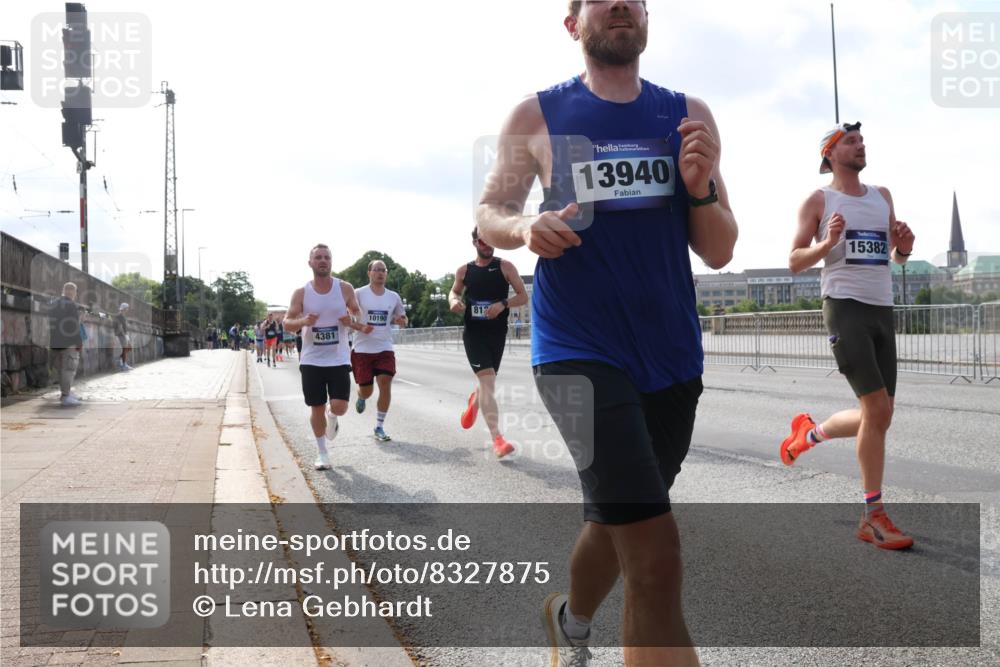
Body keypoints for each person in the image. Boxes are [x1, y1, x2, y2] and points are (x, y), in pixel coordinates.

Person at [476, 2, 739, 664]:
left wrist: (701, 188)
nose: (621, 1)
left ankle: (570, 617)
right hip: (576, 352)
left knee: (618, 516)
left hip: (672, 357)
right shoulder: (537, 114)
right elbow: (491, 211)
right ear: (573, 23)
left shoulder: (688, 115)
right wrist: (522, 229)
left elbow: (719, 249)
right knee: (654, 557)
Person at [782, 121, 916, 550]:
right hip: (844, 308)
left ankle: (810, 434)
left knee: (880, 415)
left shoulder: (882, 197)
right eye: (851, 142)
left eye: (862, 141)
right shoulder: (820, 200)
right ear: (830, 154)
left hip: (881, 309)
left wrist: (904, 247)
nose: (861, 146)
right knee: (876, 409)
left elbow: (894, 256)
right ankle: (872, 515)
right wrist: (828, 243)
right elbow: (794, 260)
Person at [284, 244, 372, 470]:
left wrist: (351, 317)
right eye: (318, 257)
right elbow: (287, 324)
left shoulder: (344, 288)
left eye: (327, 257)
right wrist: (303, 322)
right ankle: (322, 453)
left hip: (338, 357)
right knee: (316, 407)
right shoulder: (301, 293)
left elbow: (357, 311)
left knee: (340, 406)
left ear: (331, 262)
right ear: (310, 263)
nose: (323, 261)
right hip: (312, 359)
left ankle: (332, 417)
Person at [448, 227, 528, 459]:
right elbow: (454, 292)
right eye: (483, 241)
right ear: (475, 243)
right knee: (488, 380)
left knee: (487, 386)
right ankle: (498, 440)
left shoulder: (505, 267)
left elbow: (522, 296)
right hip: (474, 334)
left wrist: (503, 304)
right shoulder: (465, 270)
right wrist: (454, 301)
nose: (488, 245)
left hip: (497, 334)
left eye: (491, 240)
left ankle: (476, 401)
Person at [352, 259, 408, 442]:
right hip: (362, 349)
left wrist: (402, 321)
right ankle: (361, 396)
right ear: (369, 273)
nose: (380, 273)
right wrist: (360, 327)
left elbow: (401, 317)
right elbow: (345, 318)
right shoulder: (358, 293)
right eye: (376, 270)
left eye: (383, 270)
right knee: (367, 391)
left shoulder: (393, 297)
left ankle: (379, 426)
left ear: (386, 274)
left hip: (384, 347)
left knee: (385, 382)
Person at [49, 282, 85, 407]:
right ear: (73, 293)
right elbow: (74, 326)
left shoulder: (54, 304)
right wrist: (79, 341)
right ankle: (66, 396)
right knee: (69, 368)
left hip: (55, 341)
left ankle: (66, 393)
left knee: (61, 370)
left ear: (63, 291)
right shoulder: (71, 305)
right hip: (69, 342)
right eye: (74, 292)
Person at [114, 302, 133, 371]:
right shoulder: (119, 316)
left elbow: (124, 326)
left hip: (125, 334)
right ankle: (123, 364)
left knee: (128, 348)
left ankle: (122, 362)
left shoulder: (123, 316)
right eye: (127, 308)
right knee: (125, 349)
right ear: (124, 309)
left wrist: (126, 335)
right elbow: (119, 326)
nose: (127, 310)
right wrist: (124, 335)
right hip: (121, 335)